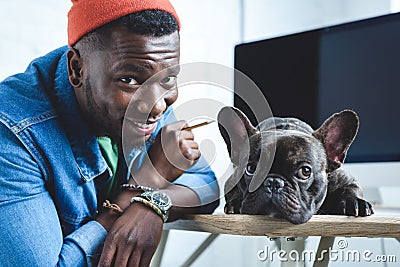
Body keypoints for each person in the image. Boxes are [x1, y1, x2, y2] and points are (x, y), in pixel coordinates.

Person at [0, 0, 220, 266]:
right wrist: (147, 182)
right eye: (129, 80)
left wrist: (148, 204)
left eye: (168, 79)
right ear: (77, 70)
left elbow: (206, 187)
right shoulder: (12, 132)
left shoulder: (144, 95)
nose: (158, 106)